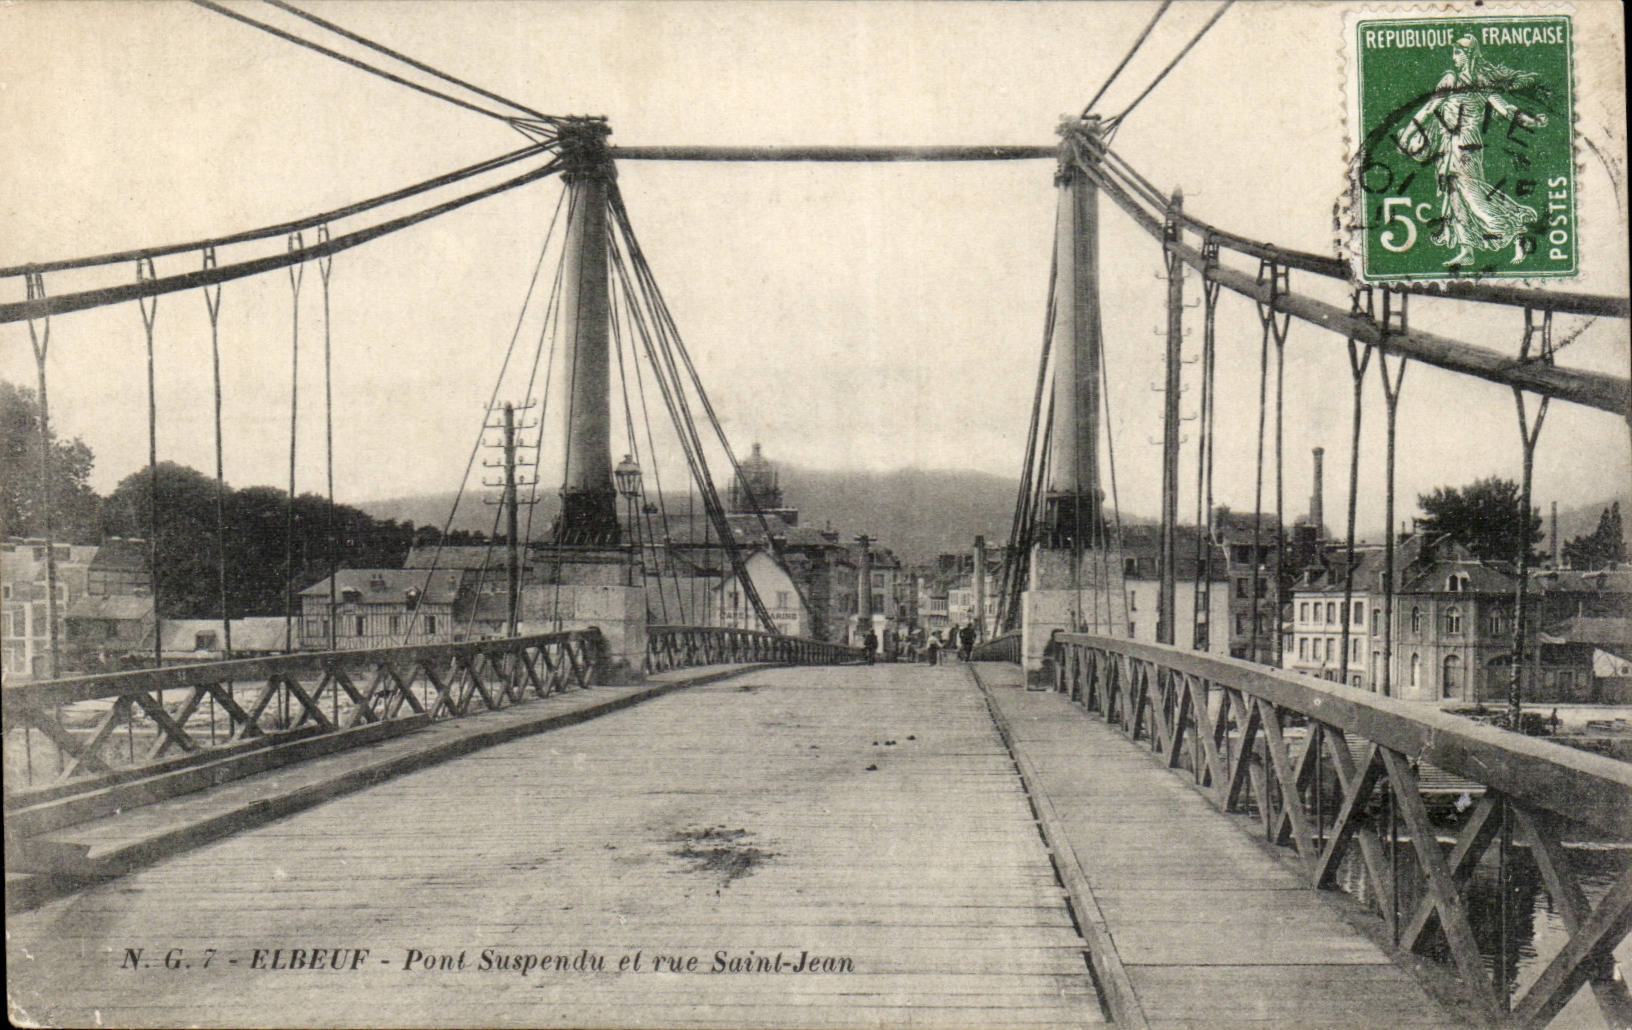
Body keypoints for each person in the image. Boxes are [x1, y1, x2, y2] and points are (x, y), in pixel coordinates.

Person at [1396, 34, 1549, 267]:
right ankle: (1466, 249)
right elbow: (1429, 109)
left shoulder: (1474, 80)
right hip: (1449, 145)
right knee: (1454, 196)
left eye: (1458, 53)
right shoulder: (1456, 78)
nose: (1454, 57)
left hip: (1466, 145)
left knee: (1472, 196)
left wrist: (1529, 120)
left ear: (1468, 55)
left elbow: (1505, 108)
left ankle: (1517, 229)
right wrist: (1408, 134)